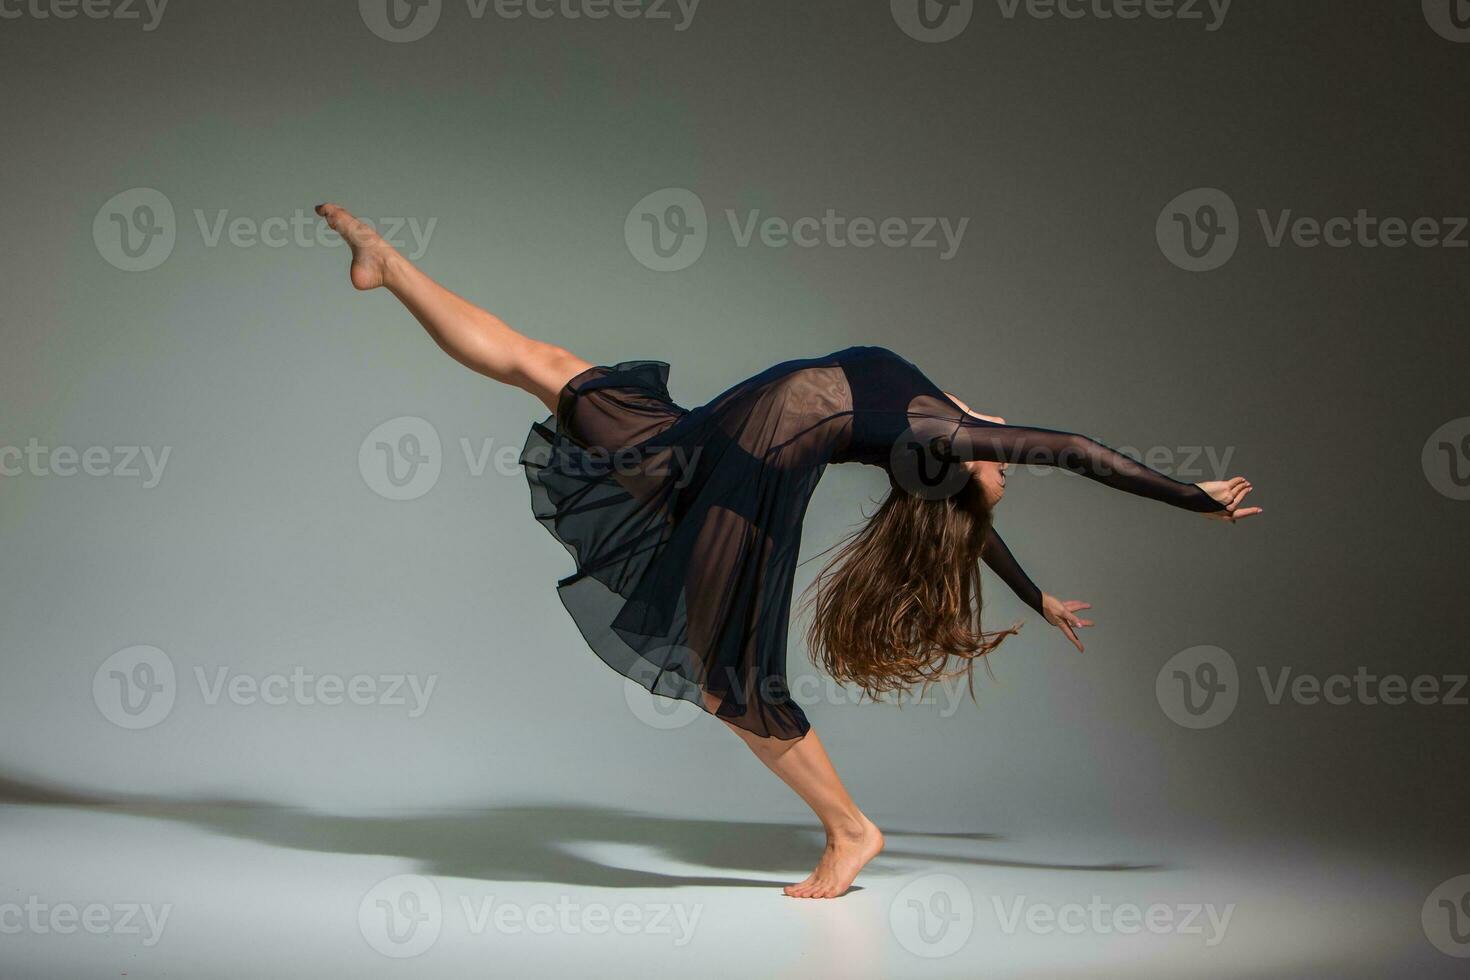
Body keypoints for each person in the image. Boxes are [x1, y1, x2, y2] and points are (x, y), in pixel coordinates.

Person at [315, 203, 1261, 899]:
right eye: (996, 478)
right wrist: (1039, 594)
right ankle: (389, 266)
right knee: (549, 368)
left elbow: (1076, 453)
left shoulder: (945, 432)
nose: (1007, 471)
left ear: (960, 467)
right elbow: (990, 514)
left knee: (727, 676)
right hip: (721, 437)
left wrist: (1193, 498)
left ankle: (852, 832)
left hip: (749, 469)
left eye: (995, 473)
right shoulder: (944, 430)